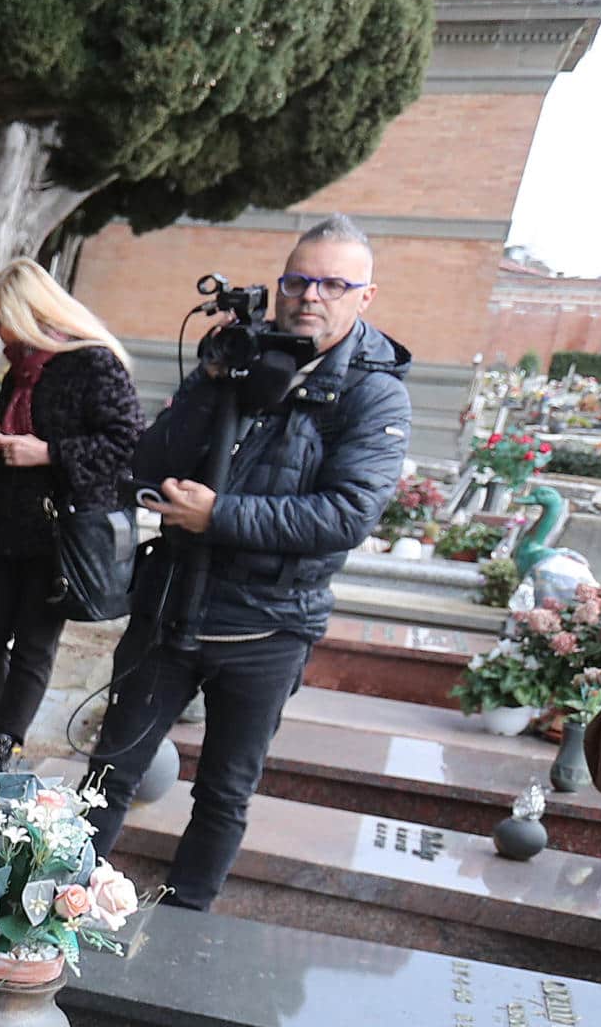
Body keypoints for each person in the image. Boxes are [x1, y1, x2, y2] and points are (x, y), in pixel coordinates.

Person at [86, 215, 410, 909]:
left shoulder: (373, 391)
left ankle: (180, 926)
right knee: (110, 772)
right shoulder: (237, 360)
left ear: (366, 296)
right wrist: (209, 380)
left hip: (269, 626)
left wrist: (219, 516)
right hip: (172, 604)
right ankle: (52, 916)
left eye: (332, 283)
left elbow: (346, 515)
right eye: (297, 279)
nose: (309, 296)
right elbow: (149, 460)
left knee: (225, 792)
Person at [0, 258, 142, 780]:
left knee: (33, 644)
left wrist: (48, 453)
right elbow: (6, 451)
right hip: (5, 525)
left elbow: (127, 444)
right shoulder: (20, 368)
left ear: (27, 312)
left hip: (58, 535)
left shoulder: (93, 364)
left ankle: (5, 743)